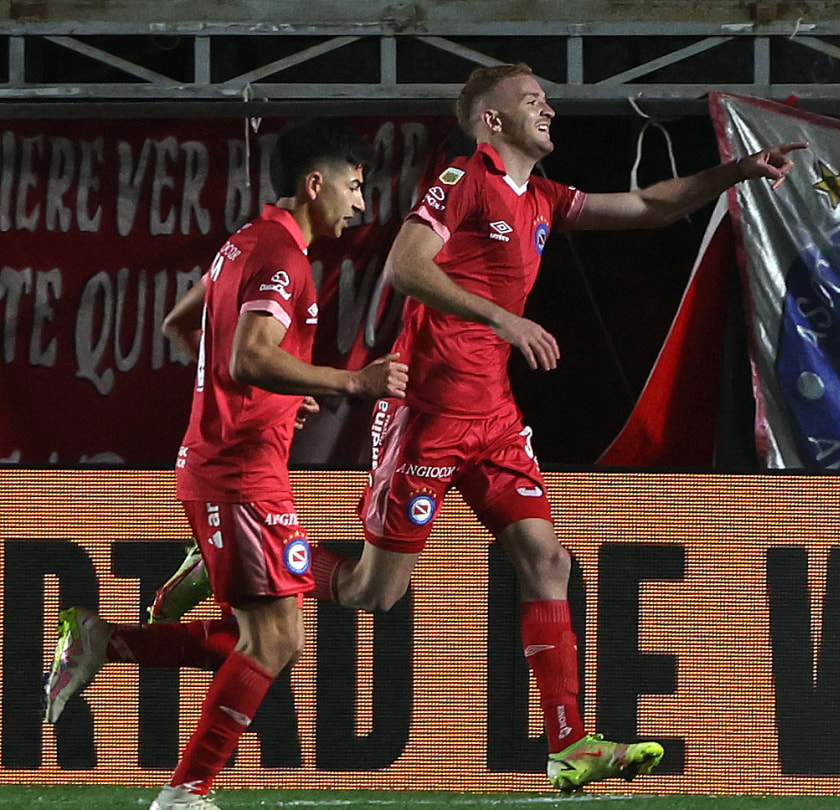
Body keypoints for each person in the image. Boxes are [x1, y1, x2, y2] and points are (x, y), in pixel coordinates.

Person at [149, 62, 805, 792]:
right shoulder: (463, 179)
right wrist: (502, 318)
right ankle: (233, 563)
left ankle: (569, 745)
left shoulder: (544, 197)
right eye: (533, 100)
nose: (549, 109)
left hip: (493, 417)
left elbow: (649, 204)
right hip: (426, 414)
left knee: (547, 560)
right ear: (493, 120)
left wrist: (738, 171)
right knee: (373, 593)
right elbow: (404, 265)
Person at [43, 118, 408, 810]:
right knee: (273, 641)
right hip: (237, 472)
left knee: (262, 637)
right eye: (355, 186)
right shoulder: (283, 256)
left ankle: (103, 641)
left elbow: (182, 326)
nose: (360, 203)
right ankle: (183, 794)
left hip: (233, 465)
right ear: (315, 184)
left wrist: (275, 395)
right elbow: (247, 355)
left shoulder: (243, 241)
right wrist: (349, 381)